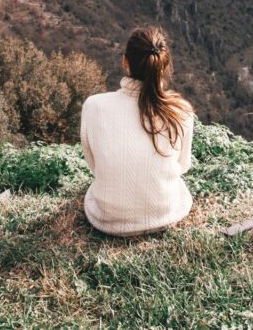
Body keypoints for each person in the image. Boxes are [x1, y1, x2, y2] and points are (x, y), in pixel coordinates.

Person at [80, 26, 195, 236]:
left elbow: (94, 164)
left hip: (107, 218)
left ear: (125, 62)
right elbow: (183, 165)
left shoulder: (93, 106)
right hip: (164, 213)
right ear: (164, 65)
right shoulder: (181, 112)